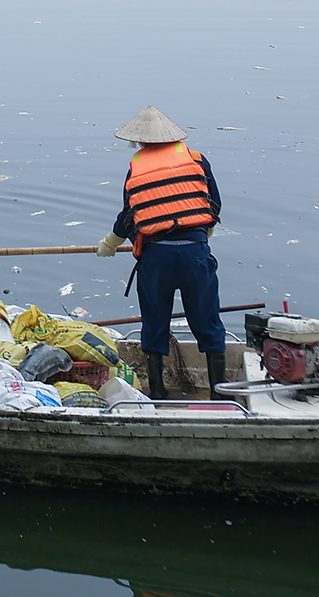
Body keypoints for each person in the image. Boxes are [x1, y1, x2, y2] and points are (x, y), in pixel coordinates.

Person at [96, 105, 227, 399]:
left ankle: (157, 392)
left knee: (155, 323)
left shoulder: (137, 165)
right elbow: (214, 205)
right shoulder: (197, 160)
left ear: (140, 141)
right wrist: (203, 234)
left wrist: (111, 243)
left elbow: (130, 216)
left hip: (157, 260)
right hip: (196, 256)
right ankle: (219, 393)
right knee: (208, 322)